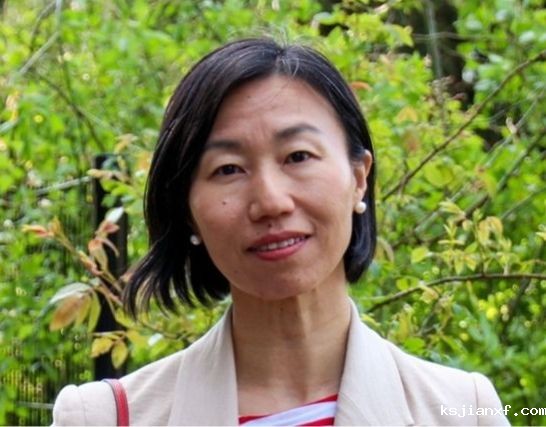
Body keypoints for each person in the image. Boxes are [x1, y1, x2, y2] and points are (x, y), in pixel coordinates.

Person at [52, 38, 510, 426]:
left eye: (298, 156)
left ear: (358, 177)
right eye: (228, 169)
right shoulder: (104, 418)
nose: (270, 201)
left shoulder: (463, 411)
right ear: (188, 211)